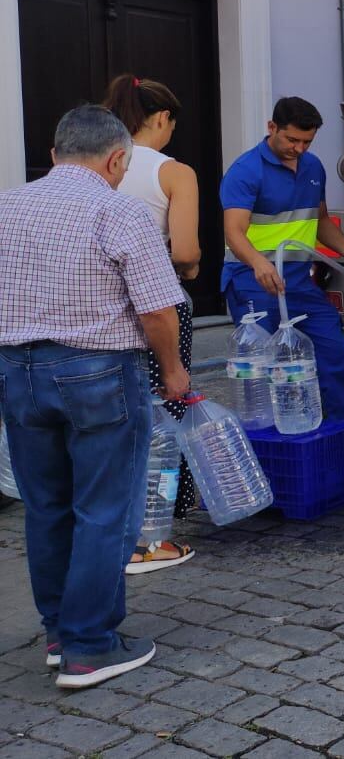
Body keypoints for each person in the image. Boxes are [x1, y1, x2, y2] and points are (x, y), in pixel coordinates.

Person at [0, 105, 188, 688]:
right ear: (115, 160)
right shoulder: (120, 211)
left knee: (47, 507)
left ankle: (60, 633)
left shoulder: (6, 206)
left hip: (17, 372)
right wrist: (174, 370)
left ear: (55, 154)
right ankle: (89, 647)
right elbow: (158, 308)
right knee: (105, 509)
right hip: (98, 375)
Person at [103, 73, 200, 574]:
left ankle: (113, 528)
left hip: (103, 312)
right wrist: (192, 266)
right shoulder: (173, 172)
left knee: (116, 416)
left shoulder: (102, 164)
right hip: (160, 305)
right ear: (161, 119)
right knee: (166, 411)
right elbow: (184, 250)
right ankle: (152, 533)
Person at [220, 97, 344, 421]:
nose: (298, 148)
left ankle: (342, 434)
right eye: (291, 140)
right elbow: (234, 231)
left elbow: (321, 221)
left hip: (299, 283)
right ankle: (274, 443)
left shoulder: (313, 168)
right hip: (253, 282)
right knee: (267, 366)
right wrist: (258, 263)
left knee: (335, 351)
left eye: (307, 142)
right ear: (272, 128)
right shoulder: (245, 171)